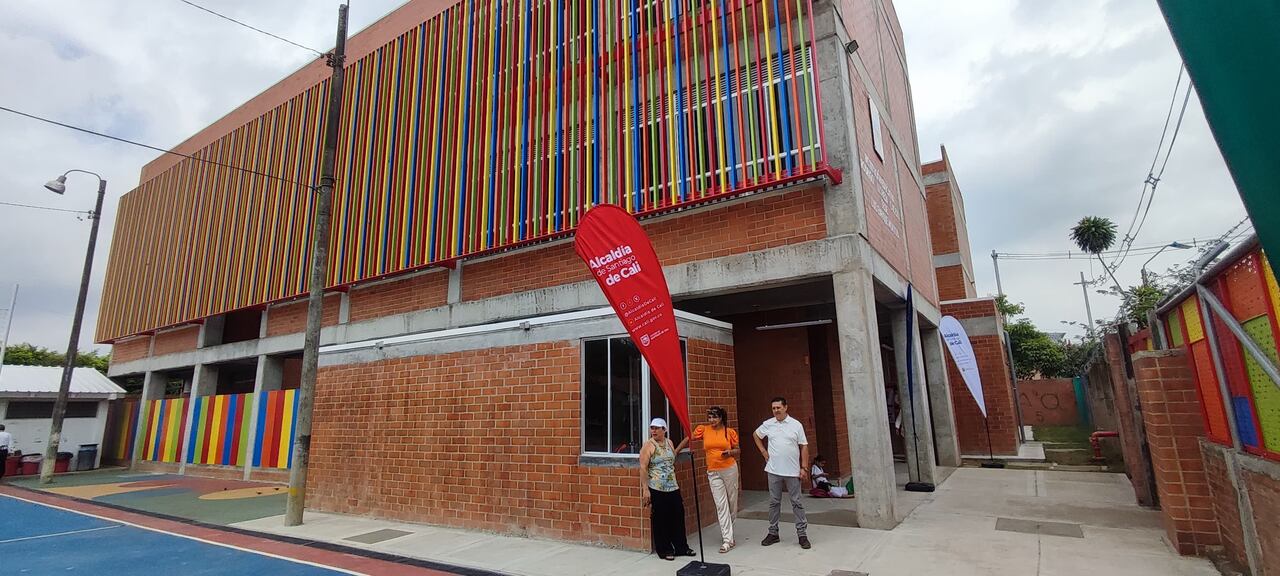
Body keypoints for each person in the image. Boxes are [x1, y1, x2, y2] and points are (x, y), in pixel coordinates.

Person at [676, 406, 741, 553]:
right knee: (720, 504)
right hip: (713, 471)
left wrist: (729, 452)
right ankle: (727, 540)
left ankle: (730, 533)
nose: (711, 420)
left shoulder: (729, 432)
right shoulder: (704, 430)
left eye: (714, 417)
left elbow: (738, 449)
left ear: (721, 418)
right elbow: (689, 437)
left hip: (729, 469)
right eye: (710, 417)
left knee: (732, 501)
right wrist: (676, 451)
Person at [753, 397, 811, 549]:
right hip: (773, 470)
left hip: (792, 471)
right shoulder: (768, 424)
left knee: (796, 502)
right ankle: (773, 533)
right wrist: (763, 451)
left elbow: (804, 446)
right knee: (774, 502)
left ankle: (802, 534)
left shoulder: (796, 425)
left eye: (778, 407)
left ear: (786, 407)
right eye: (773, 408)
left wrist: (804, 467)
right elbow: (756, 435)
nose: (776, 411)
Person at [640, 417, 695, 561]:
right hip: (657, 487)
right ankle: (664, 549)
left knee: (677, 516)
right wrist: (645, 490)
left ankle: (681, 547)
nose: (654, 431)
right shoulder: (648, 446)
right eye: (652, 428)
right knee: (661, 519)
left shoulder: (669, 443)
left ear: (664, 430)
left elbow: (673, 456)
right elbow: (643, 468)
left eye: (657, 428)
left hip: (673, 486)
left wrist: (687, 439)